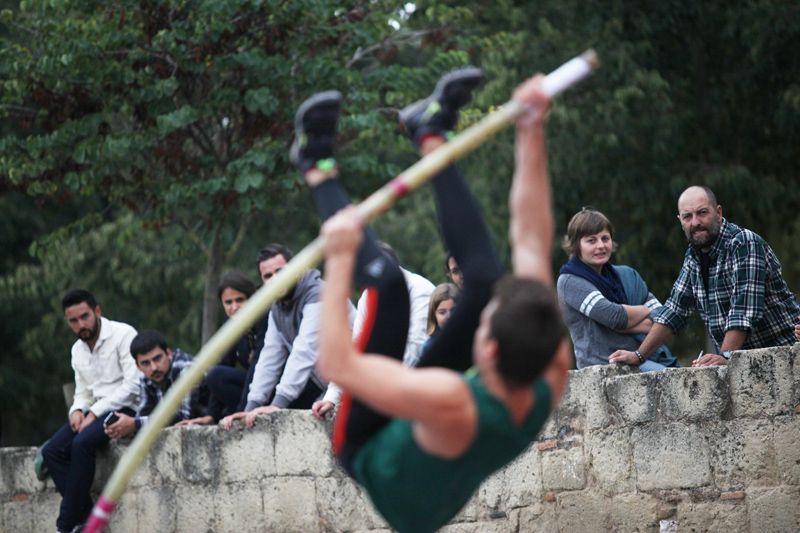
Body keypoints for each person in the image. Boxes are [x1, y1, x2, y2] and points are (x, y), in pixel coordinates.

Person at [293, 67, 570, 532]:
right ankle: (430, 132)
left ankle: (315, 166)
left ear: (489, 350)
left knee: (388, 285)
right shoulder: (550, 359)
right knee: (484, 282)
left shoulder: (453, 399)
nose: (476, 319)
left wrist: (338, 259)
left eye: (484, 323)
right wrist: (531, 127)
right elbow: (530, 238)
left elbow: (337, 364)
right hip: (438, 441)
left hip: (371, 452)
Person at [610, 185, 800, 367]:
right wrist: (638, 356)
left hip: (786, 357)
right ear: (680, 221)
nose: (695, 222)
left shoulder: (744, 243)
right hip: (742, 364)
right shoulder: (693, 256)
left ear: (718, 212)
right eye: (687, 216)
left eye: (702, 212)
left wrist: (725, 357)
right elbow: (674, 311)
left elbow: (743, 311)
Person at [220, 244, 353, 429]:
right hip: (332, 389)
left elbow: (305, 350)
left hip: (359, 381)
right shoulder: (277, 307)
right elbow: (269, 357)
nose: (275, 279)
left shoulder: (318, 294)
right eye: (268, 276)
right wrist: (251, 407)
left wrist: (277, 405)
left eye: (280, 271)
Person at [41, 289, 139, 533]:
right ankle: (86, 519)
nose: (80, 325)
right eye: (73, 321)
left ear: (97, 311)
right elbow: (83, 391)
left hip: (124, 407)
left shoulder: (123, 334)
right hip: (94, 411)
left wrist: (93, 412)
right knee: (51, 451)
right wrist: (76, 410)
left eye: (84, 317)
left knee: (81, 444)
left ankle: (65, 526)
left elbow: (133, 385)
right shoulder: (77, 350)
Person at [311, 245, 434, 419]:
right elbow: (355, 347)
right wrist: (331, 398)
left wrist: (380, 393)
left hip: (422, 385)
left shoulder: (420, 290)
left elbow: (416, 347)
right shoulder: (369, 295)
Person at [557, 208, 676, 371]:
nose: (601, 245)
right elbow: (615, 317)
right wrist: (645, 310)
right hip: (603, 367)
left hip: (641, 359)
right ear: (576, 245)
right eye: (591, 241)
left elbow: (663, 318)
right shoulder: (570, 281)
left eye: (605, 238)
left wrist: (622, 322)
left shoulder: (627, 275)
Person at [182, 271, 269, 425]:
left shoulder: (265, 318)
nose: (234, 307)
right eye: (228, 302)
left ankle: (242, 411)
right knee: (215, 375)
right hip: (251, 390)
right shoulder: (231, 326)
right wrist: (211, 415)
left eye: (240, 300)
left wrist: (245, 409)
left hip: (272, 385)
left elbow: (258, 366)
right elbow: (224, 364)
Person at [103, 330, 204, 438]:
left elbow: (183, 416)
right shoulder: (146, 377)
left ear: (168, 353)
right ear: (138, 366)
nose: (154, 367)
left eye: (157, 359)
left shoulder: (186, 369)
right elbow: (144, 413)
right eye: (145, 363)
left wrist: (135, 424)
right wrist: (121, 427)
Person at [416, 282, 460, 363]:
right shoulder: (429, 348)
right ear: (434, 315)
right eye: (442, 312)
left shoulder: (470, 341)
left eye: (453, 310)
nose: (449, 316)